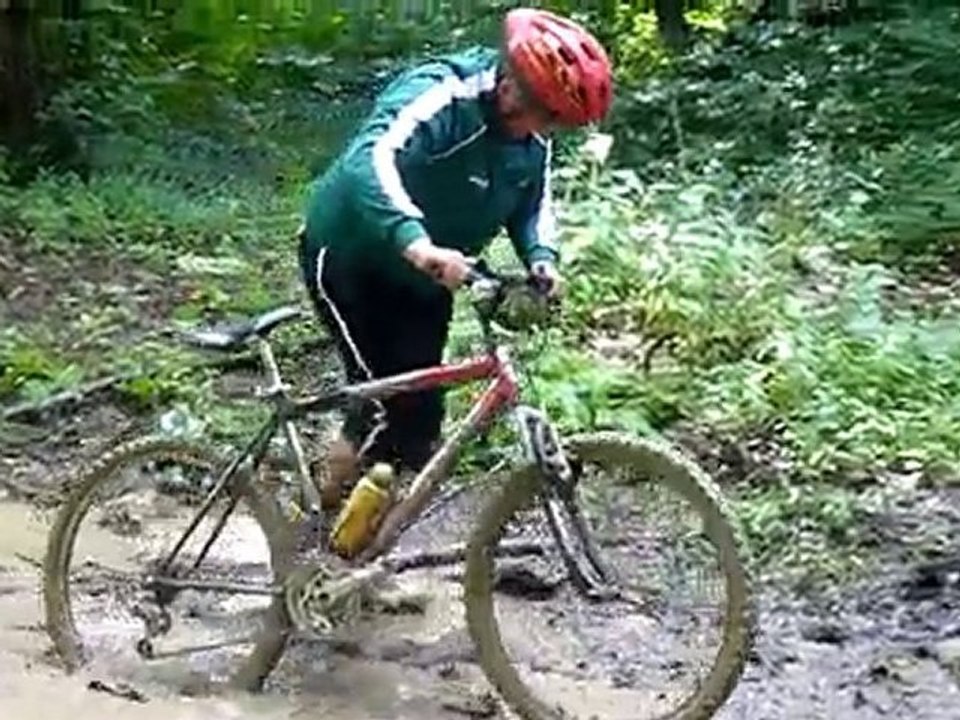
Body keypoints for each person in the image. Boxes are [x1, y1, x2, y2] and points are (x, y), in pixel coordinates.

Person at [297, 7, 613, 511]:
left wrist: (541, 258)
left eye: (559, 121)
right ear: (513, 88)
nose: (550, 130)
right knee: (375, 401)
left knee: (420, 425)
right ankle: (314, 524)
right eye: (548, 114)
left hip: (428, 280)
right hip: (349, 255)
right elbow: (369, 158)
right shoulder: (444, 93)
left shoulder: (531, 140)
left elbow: (534, 202)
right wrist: (415, 241)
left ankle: (369, 543)